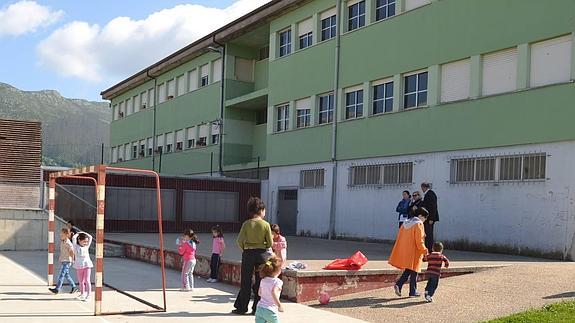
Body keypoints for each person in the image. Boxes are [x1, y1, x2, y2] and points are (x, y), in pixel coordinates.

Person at [233, 197, 273, 315]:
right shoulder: (265, 225)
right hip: (261, 254)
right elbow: (270, 243)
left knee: (246, 281)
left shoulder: (246, 224)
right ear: (261, 210)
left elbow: (239, 241)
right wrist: (262, 245)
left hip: (248, 253)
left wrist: (246, 248)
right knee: (260, 281)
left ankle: (242, 307)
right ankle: (257, 308)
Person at [388, 207, 429, 297]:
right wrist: (424, 250)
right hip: (415, 251)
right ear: (420, 215)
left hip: (405, 250)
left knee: (409, 270)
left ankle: (399, 285)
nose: (425, 220)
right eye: (425, 217)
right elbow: (419, 240)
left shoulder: (406, 222)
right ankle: (412, 291)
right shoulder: (419, 224)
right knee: (414, 271)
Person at [255, 255, 284, 323]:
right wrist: (279, 305)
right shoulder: (278, 282)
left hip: (259, 308)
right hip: (270, 310)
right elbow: (273, 292)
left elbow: (259, 293)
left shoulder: (263, 280)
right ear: (278, 271)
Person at [49, 228, 77, 294]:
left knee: (61, 275)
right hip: (63, 260)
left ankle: (57, 289)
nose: (60, 234)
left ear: (66, 235)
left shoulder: (68, 243)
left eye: (62, 233)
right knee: (66, 275)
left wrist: (73, 260)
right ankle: (74, 286)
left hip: (67, 261)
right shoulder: (62, 241)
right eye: (60, 233)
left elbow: (71, 252)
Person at [72, 231, 93, 301]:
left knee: (87, 280)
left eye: (86, 242)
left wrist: (83, 232)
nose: (86, 243)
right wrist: (78, 234)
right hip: (79, 266)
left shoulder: (86, 247)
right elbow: (74, 238)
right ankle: (82, 294)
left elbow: (90, 237)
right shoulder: (75, 246)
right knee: (81, 281)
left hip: (87, 265)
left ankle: (89, 295)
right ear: (79, 240)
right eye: (84, 241)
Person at [421, 182, 439, 251]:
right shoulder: (428, 194)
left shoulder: (430, 194)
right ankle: (428, 248)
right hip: (427, 218)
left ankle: (429, 249)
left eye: (422, 187)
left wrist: (431, 218)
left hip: (430, 218)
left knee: (429, 234)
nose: (422, 189)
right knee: (427, 233)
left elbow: (433, 207)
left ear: (424, 187)